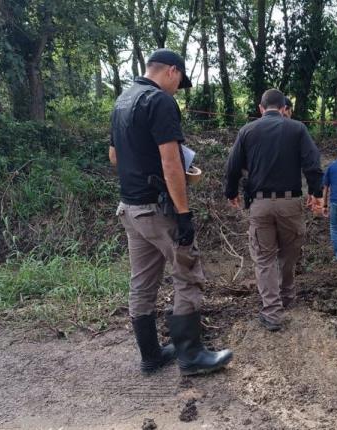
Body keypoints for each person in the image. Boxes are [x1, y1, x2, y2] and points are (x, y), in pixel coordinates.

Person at [109, 48, 232, 376]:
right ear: (173, 72)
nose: (177, 89)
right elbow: (170, 161)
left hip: (130, 209)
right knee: (187, 272)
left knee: (143, 281)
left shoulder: (122, 101)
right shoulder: (160, 101)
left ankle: (150, 354)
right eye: (180, 82)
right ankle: (191, 356)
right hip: (158, 208)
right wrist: (183, 213)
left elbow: (114, 157)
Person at [224, 89, 323, 332]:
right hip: (291, 203)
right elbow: (312, 162)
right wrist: (316, 193)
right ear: (283, 107)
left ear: (261, 108)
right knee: (289, 252)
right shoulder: (297, 128)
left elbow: (233, 165)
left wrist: (231, 192)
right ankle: (287, 297)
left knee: (264, 258)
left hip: (260, 204)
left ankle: (272, 312)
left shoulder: (247, 131)